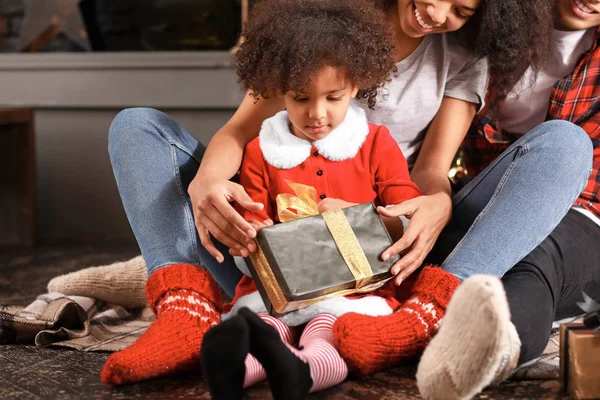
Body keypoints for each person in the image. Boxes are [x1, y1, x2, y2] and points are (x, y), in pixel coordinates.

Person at [103, 0, 587, 385]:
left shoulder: (460, 57)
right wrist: (208, 184)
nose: (438, 14)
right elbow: (239, 132)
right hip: (264, 264)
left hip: (384, 255)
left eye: (462, 10)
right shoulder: (310, 35)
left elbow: (431, 170)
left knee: (565, 143)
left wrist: (433, 203)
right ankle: (186, 312)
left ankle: (427, 314)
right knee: (136, 127)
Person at [197, 4, 423, 398]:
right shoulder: (259, 152)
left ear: (355, 86)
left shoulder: (375, 143)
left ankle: (301, 371)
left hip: (356, 291)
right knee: (266, 325)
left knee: (330, 330)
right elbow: (250, 230)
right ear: (278, 90)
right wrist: (256, 232)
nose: (317, 114)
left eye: (333, 97)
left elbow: (406, 219)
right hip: (279, 290)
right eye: (300, 98)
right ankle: (235, 372)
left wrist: (360, 218)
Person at [416, 0, 600, 398]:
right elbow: (433, 164)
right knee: (562, 142)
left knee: (534, 260)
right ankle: (433, 313)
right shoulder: (476, 28)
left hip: (581, 218)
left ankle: (466, 346)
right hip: (483, 209)